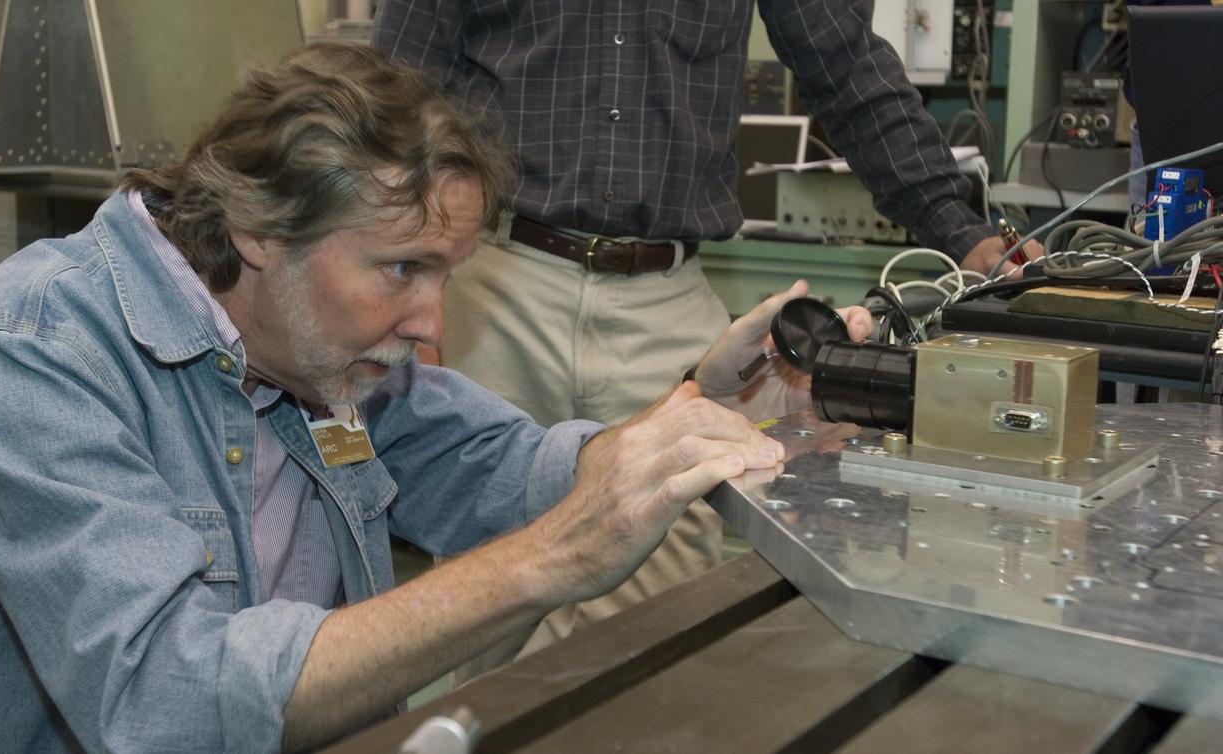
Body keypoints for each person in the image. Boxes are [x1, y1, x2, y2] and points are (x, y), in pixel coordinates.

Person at [0, 43, 868, 752]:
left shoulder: (325, 354)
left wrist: (706, 413)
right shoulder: (31, 355)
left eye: (446, 275)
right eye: (401, 269)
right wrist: (548, 562)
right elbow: (161, 701)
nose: (429, 324)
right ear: (257, 230)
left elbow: (503, 469)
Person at [372, 0, 1042, 668]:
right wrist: (396, 281)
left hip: (664, 298)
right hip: (495, 284)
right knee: (487, 604)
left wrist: (964, 231)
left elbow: (845, 62)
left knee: (649, 634)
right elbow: (398, 87)